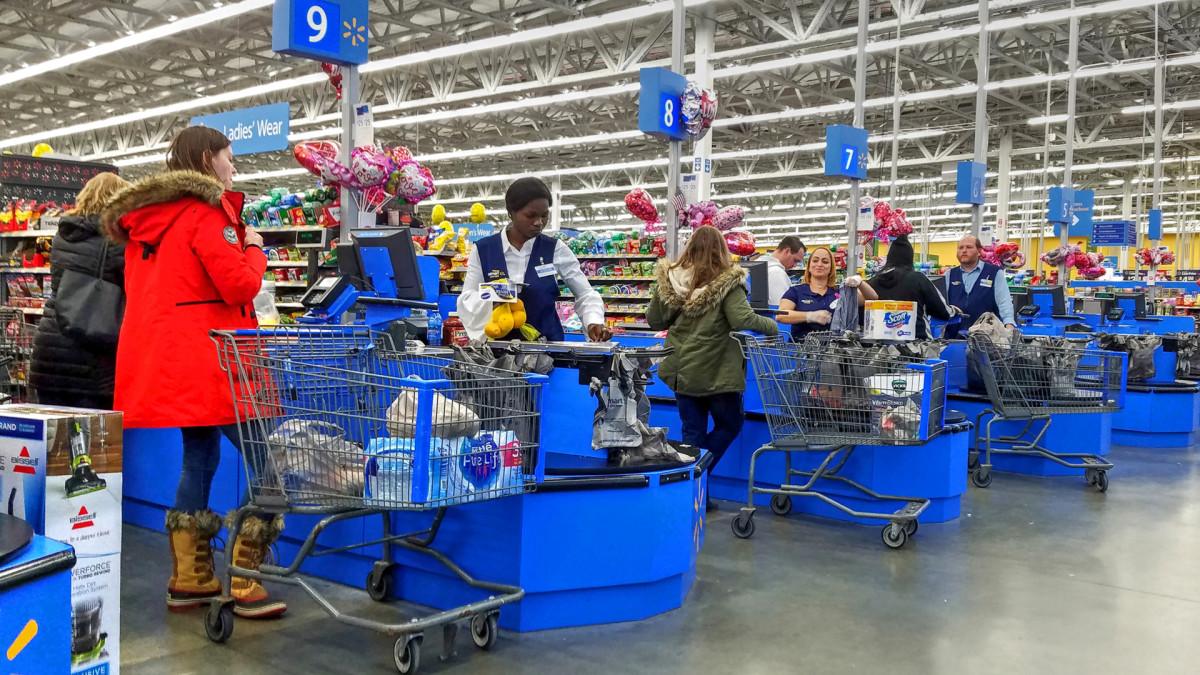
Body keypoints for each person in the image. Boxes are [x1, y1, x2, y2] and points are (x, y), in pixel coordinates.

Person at [100, 126, 285, 619]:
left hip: (177, 363)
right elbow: (239, 285)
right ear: (207, 159)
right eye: (229, 158)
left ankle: (190, 578)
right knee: (270, 460)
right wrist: (254, 247)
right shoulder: (205, 214)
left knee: (199, 458)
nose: (233, 168)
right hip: (217, 363)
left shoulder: (148, 222)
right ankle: (245, 577)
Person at [646, 227, 779, 511]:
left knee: (692, 433)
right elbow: (743, 319)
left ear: (690, 248)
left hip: (682, 369)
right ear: (721, 250)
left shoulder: (671, 278)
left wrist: (661, 290)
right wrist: (772, 326)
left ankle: (692, 494)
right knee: (729, 424)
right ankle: (697, 478)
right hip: (717, 370)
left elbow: (655, 320)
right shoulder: (727, 281)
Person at [459, 177, 611, 342]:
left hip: (548, 348)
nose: (539, 222)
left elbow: (585, 293)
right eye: (530, 215)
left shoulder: (556, 248)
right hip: (496, 349)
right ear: (511, 213)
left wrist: (593, 321)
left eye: (544, 215)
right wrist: (493, 298)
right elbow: (467, 298)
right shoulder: (483, 249)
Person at [30, 172, 130, 409]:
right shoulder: (119, 242)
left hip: (51, 344)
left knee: (53, 429)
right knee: (94, 431)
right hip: (93, 354)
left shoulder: (63, 235)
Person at [776, 246, 878, 340]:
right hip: (801, 349)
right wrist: (810, 316)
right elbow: (781, 315)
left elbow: (872, 299)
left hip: (833, 351)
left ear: (831, 268)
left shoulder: (840, 293)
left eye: (825, 262)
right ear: (809, 266)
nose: (819, 264)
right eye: (815, 261)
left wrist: (860, 282)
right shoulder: (795, 291)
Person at [868, 235, 954, 339]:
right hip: (917, 342)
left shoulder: (873, 282)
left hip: (880, 343)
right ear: (910, 257)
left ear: (889, 257)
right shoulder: (918, 278)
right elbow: (943, 311)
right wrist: (955, 311)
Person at [941, 234, 1015, 338]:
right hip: (953, 337)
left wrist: (1009, 325)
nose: (964, 250)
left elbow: (1004, 302)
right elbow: (941, 304)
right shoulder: (949, 274)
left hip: (986, 337)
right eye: (960, 248)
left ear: (979, 251)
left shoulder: (994, 273)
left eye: (969, 247)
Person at [765, 235, 806, 306]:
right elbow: (783, 308)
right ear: (787, 251)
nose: (795, 265)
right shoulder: (776, 272)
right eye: (795, 260)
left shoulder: (763, 265)